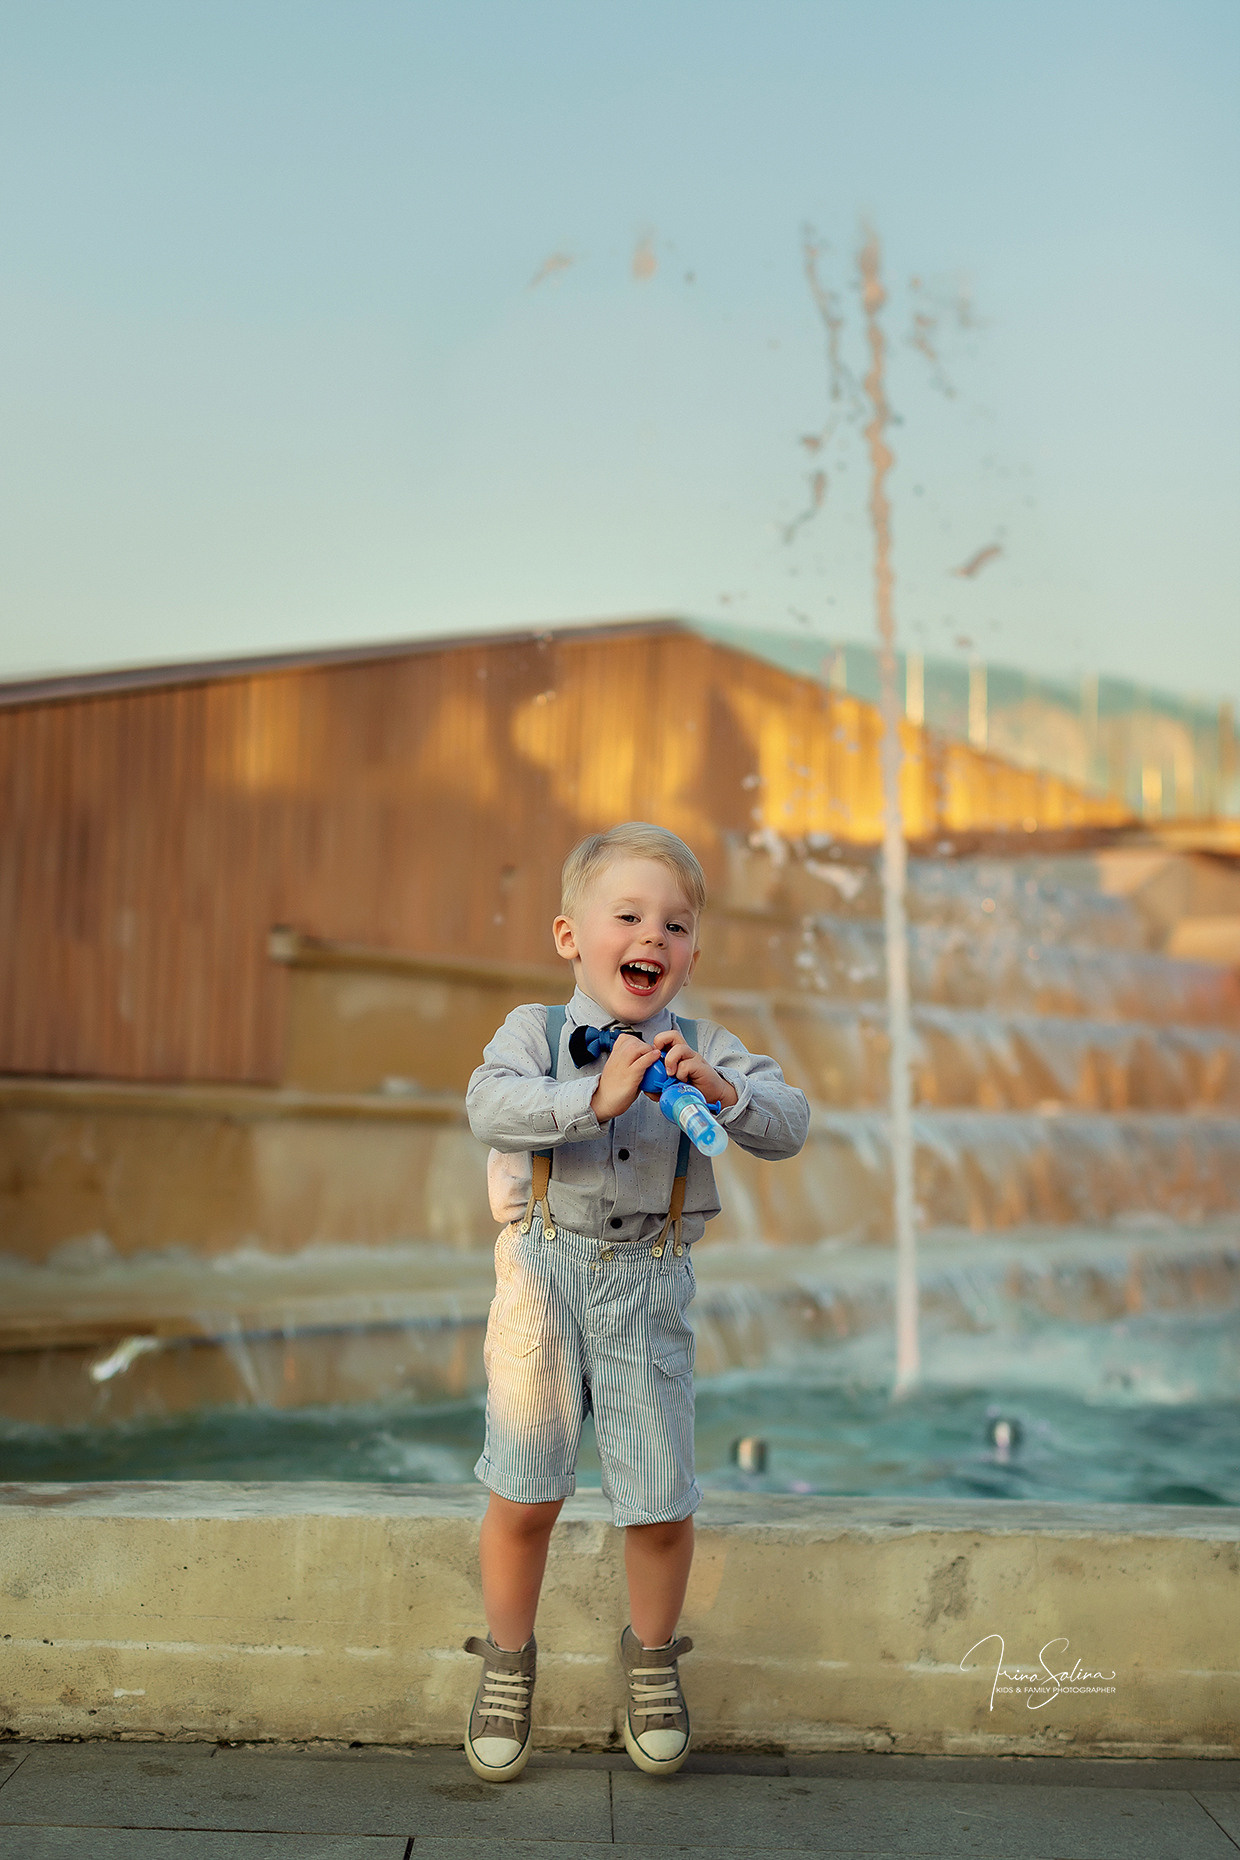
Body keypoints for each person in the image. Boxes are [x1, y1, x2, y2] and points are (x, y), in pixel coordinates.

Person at [462, 821, 809, 1782]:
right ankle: (506, 1659)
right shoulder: (533, 1032)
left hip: (647, 1283)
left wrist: (725, 1094)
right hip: (540, 1274)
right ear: (572, 934)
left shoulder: (711, 1047)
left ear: (692, 953)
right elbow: (488, 1105)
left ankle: (650, 1657)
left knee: (656, 1500)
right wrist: (591, 1101)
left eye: (676, 924)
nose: (652, 935)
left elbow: (791, 1124)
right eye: (628, 916)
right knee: (525, 1488)